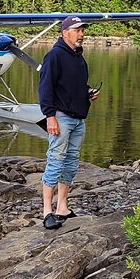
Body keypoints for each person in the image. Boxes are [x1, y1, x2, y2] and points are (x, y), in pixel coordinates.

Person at [37, 16, 100, 230]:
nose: (81, 34)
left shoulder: (79, 57)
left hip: (78, 119)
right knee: (55, 160)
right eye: (77, 30)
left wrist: (88, 93)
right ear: (66, 33)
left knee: (71, 163)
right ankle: (47, 212)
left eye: (82, 30)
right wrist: (50, 116)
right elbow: (45, 88)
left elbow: (74, 86)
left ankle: (62, 207)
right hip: (61, 118)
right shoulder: (54, 56)